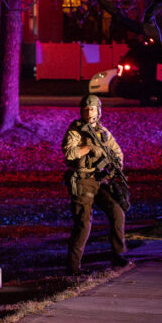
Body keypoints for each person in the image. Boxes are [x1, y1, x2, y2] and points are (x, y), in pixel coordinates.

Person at [62, 94, 130, 276]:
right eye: (86, 109)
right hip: (82, 181)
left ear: (98, 111)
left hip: (100, 180)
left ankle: (119, 255)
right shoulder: (75, 131)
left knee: (117, 212)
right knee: (83, 224)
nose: (89, 112)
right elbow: (69, 152)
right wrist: (89, 148)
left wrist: (116, 166)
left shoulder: (103, 132)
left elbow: (117, 151)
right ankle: (73, 267)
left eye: (92, 109)